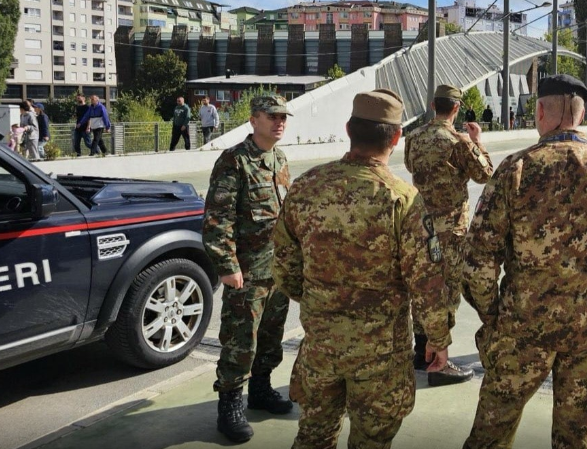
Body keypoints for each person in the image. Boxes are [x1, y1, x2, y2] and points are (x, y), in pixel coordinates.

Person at [462, 74, 587, 449]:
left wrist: (494, 316)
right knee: (575, 435)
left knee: (492, 430)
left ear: (539, 111)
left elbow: (477, 262)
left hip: (522, 329)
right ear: (581, 116)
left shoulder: (515, 170)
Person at [273, 90, 451, 449]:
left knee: (313, 437)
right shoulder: (403, 199)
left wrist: (321, 302)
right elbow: (426, 284)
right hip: (381, 357)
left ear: (349, 130)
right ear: (396, 137)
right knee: (372, 440)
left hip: (321, 346)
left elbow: (285, 268)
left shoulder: (306, 187)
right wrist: (438, 339)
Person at [203, 95, 294, 443]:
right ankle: (229, 406)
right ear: (254, 120)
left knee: (271, 338)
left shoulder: (280, 157)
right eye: (272, 116)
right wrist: (226, 265)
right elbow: (217, 218)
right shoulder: (233, 161)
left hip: (278, 270)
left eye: (283, 116)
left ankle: (261, 389)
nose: (279, 122)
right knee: (240, 342)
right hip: (247, 272)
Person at [404, 84, 493, 386]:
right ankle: (439, 362)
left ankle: (421, 350)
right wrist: (477, 141)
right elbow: (485, 174)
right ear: (456, 108)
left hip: (419, 224)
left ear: (433, 105)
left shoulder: (414, 137)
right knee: (446, 292)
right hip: (450, 229)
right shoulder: (458, 141)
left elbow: (410, 166)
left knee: (423, 287)